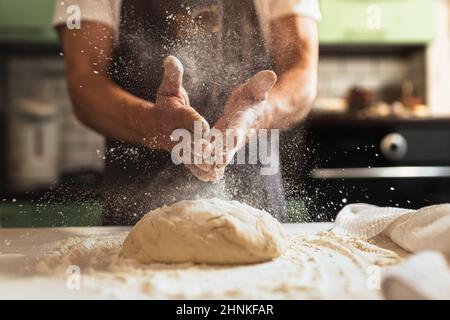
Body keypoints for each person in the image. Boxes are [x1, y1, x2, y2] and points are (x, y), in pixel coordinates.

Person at [53, 0, 321, 225]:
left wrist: (256, 116)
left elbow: (302, 73)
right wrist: (154, 125)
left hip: (256, 205)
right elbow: (85, 84)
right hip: (135, 212)